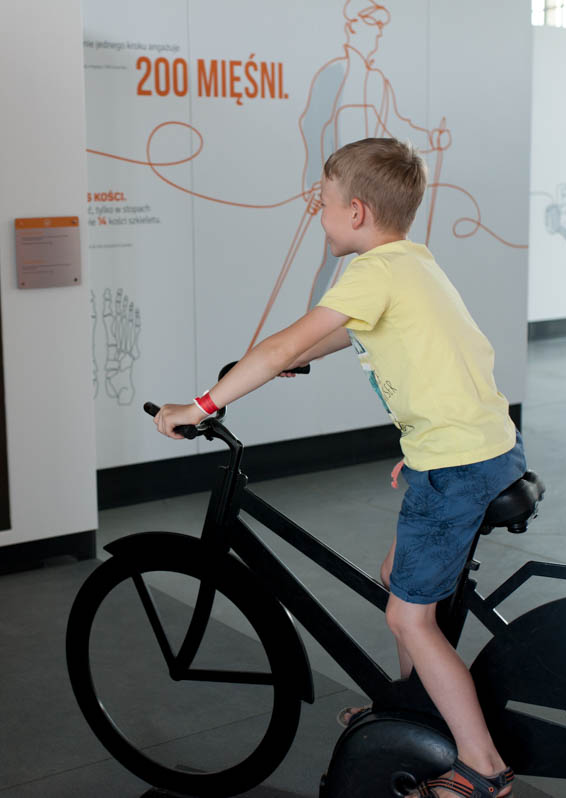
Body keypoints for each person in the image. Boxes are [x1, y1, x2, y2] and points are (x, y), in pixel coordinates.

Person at [153, 138, 523, 798]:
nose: (315, 214)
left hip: (456, 465)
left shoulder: (370, 272)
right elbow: (340, 335)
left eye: (321, 203)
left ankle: (481, 768)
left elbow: (284, 344)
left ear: (355, 212)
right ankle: (413, 705)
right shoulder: (411, 262)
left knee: (408, 619)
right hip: (481, 446)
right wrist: (293, 363)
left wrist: (202, 404)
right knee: (395, 577)